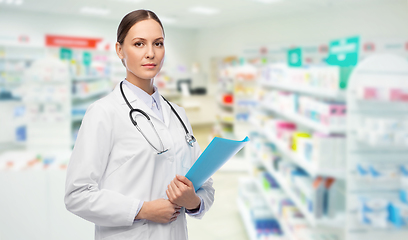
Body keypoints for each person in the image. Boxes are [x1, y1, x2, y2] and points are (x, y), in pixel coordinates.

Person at [64, 9, 215, 240]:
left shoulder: (178, 114)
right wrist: (142, 210)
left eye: (158, 43)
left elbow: (205, 185)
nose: (151, 53)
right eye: (139, 44)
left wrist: (193, 201)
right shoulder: (104, 113)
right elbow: (77, 194)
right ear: (119, 50)